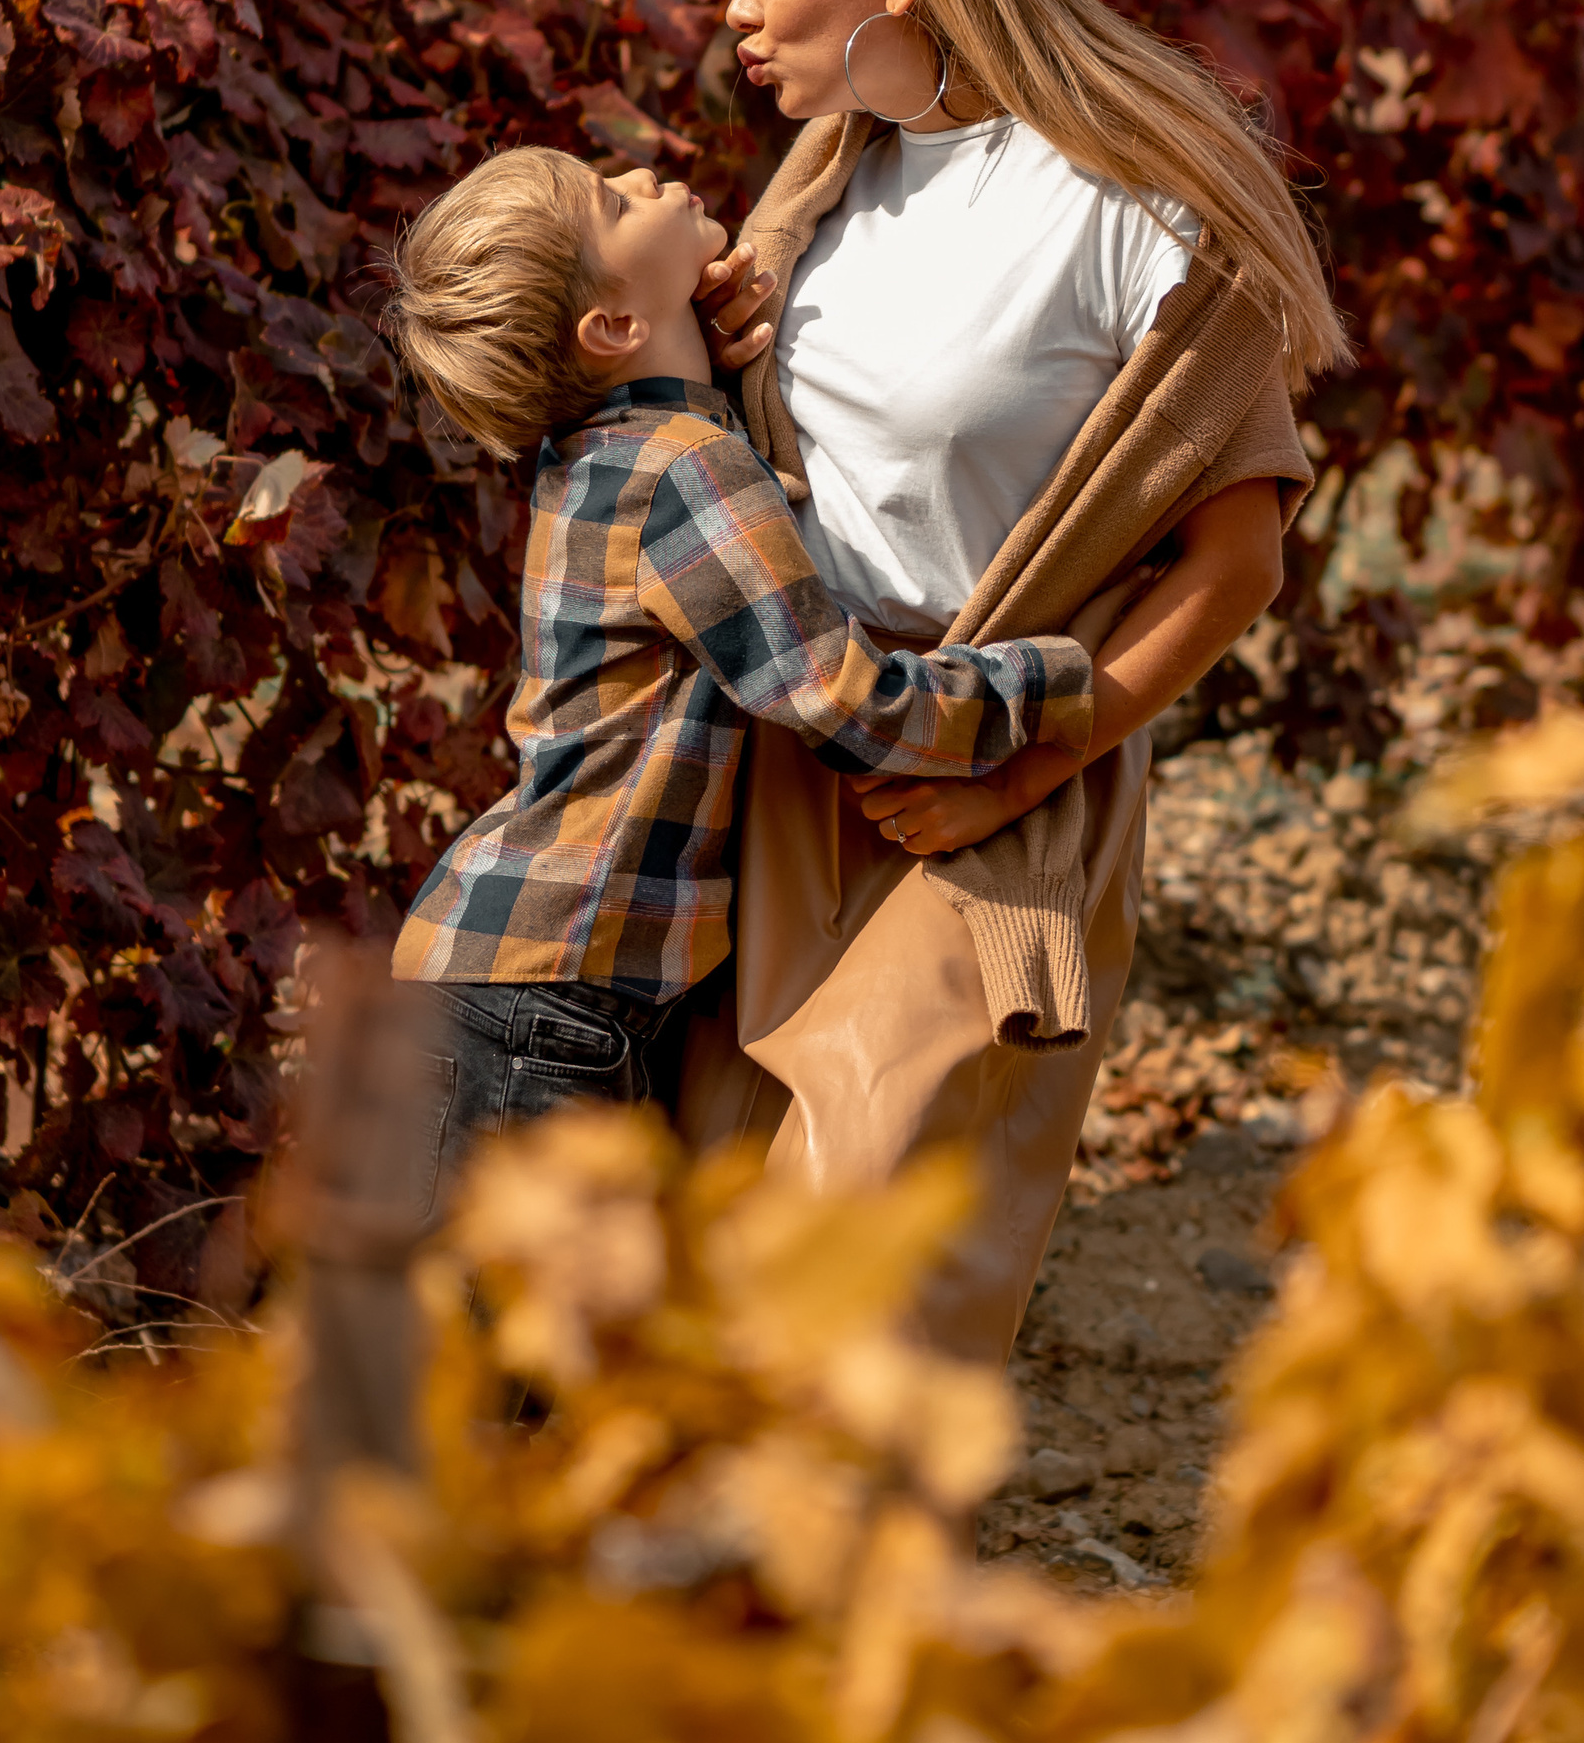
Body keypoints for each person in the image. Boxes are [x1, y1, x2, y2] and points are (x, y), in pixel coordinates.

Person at [684, 0, 1346, 1360]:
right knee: (716, 1232)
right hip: (800, 761)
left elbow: (1238, 562)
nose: (735, 12)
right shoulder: (821, 194)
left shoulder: (1122, 200)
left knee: (852, 1248)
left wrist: (1026, 772)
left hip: (996, 762)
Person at [372, 143, 1094, 1191]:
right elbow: (848, 701)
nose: (643, 175)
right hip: (548, 999)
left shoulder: (604, 454)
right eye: (613, 201)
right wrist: (1054, 679)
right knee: (534, 1300)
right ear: (613, 327)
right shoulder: (681, 469)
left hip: (503, 978)